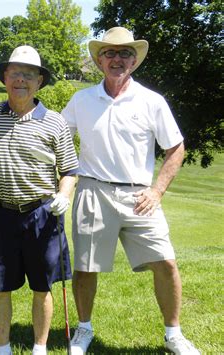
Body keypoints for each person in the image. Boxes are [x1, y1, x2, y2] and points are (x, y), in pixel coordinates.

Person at [61, 27, 200, 355]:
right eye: (110, 53)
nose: (117, 59)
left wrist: (157, 190)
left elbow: (176, 148)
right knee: (85, 267)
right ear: (99, 60)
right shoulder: (81, 100)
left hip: (141, 197)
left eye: (124, 53)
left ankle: (173, 334)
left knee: (165, 263)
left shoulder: (152, 101)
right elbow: (58, 136)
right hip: (93, 192)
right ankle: (84, 329)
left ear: (134, 60)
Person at [0, 45, 79, 355]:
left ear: (39, 82)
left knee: (41, 286)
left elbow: (70, 169)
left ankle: (40, 347)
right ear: (5, 77)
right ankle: (3, 348)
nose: (21, 80)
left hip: (42, 214)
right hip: (3, 213)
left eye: (29, 75)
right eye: (15, 73)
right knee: (1, 286)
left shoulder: (55, 122)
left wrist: (63, 195)